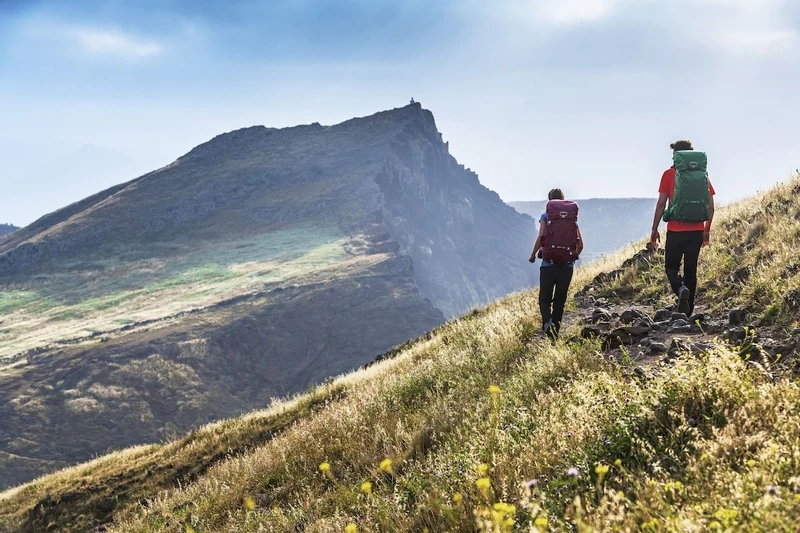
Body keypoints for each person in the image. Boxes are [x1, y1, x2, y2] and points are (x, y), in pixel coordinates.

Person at [650, 140, 715, 316]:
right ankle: (688, 311)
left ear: (676, 156)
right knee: (691, 270)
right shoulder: (702, 175)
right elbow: (710, 206)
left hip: (676, 231)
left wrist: (654, 229)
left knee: (671, 267)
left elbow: (661, 204)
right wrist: (706, 231)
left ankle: (680, 289)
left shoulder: (668, 174)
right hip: (696, 231)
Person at [529, 189, 583, 339]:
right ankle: (554, 336)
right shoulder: (572, 220)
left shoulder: (545, 217)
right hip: (567, 266)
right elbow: (580, 245)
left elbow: (541, 236)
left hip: (548, 264)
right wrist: (571, 257)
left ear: (550, 201)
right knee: (560, 300)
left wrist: (533, 254)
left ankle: (547, 323)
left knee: (544, 298)